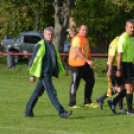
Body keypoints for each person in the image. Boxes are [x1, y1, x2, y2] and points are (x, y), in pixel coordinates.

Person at [24, 26, 73, 118]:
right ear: (44, 35)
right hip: (44, 73)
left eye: (51, 34)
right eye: (48, 34)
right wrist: (32, 74)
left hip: (48, 73)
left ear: (54, 35)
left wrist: (62, 69)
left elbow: (56, 59)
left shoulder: (52, 46)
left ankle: (28, 112)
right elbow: (34, 60)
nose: (50, 36)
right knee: (52, 93)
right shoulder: (41, 44)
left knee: (37, 93)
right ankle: (62, 113)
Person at [68, 24, 97, 108]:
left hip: (83, 65)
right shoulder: (77, 39)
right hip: (76, 65)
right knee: (75, 84)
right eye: (83, 30)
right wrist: (88, 61)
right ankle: (72, 103)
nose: (85, 31)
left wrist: (87, 62)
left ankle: (87, 102)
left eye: (86, 30)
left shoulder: (84, 39)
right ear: (79, 30)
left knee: (91, 81)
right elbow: (78, 51)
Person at [108, 19, 134, 115]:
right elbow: (119, 55)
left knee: (130, 88)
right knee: (129, 88)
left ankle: (113, 101)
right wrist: (119, 69)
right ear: (126, 27)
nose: (132, 29)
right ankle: (130, 110)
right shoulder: (123, 38)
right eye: (130, 27)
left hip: (130, 65)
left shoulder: (130, 38)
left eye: (133, 27)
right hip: (125, 65)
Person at [96, 36, 126, 113]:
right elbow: (111, 57)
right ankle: (119, 107)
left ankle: (101, 99)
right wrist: (110, 69)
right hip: (114, 67)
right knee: (118, 88)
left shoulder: (124, 41)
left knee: (121, 87)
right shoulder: (115, 42)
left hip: (121, 66)